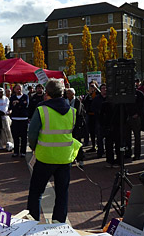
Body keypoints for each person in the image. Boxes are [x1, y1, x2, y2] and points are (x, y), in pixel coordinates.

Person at [27, 78, 80, 223]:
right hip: (65, 158)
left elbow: (32, 134)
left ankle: (32, 222)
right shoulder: (72, 111)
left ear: (47, 93)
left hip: (45, 157)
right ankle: (58, 222)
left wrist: (34, 148)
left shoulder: (41, 110)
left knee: (36, 192)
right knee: (62, 193)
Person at [65, 88, 86, 168]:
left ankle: (80, 160)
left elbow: (80, 115)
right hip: (67, 126)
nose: (67, 95)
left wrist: (78, 126)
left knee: (78, 143)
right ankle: (70, 159)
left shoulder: (78, 102)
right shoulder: (65, 101)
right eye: (67, 93)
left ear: (73, 94)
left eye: (69, 93)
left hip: (76, 126)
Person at [9, 84, 29, 158]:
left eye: (20, 89)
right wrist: (18, 104)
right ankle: (16, 152)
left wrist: (17, 103)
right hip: (15, 119)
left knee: (24, 136)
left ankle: (23, 152)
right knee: (15, 136)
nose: (19, 90)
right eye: (17, 89)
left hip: (23, 119)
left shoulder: (25, 96)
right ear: (14, 90)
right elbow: (11, 106)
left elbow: (26, 105)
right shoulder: (12, 97)